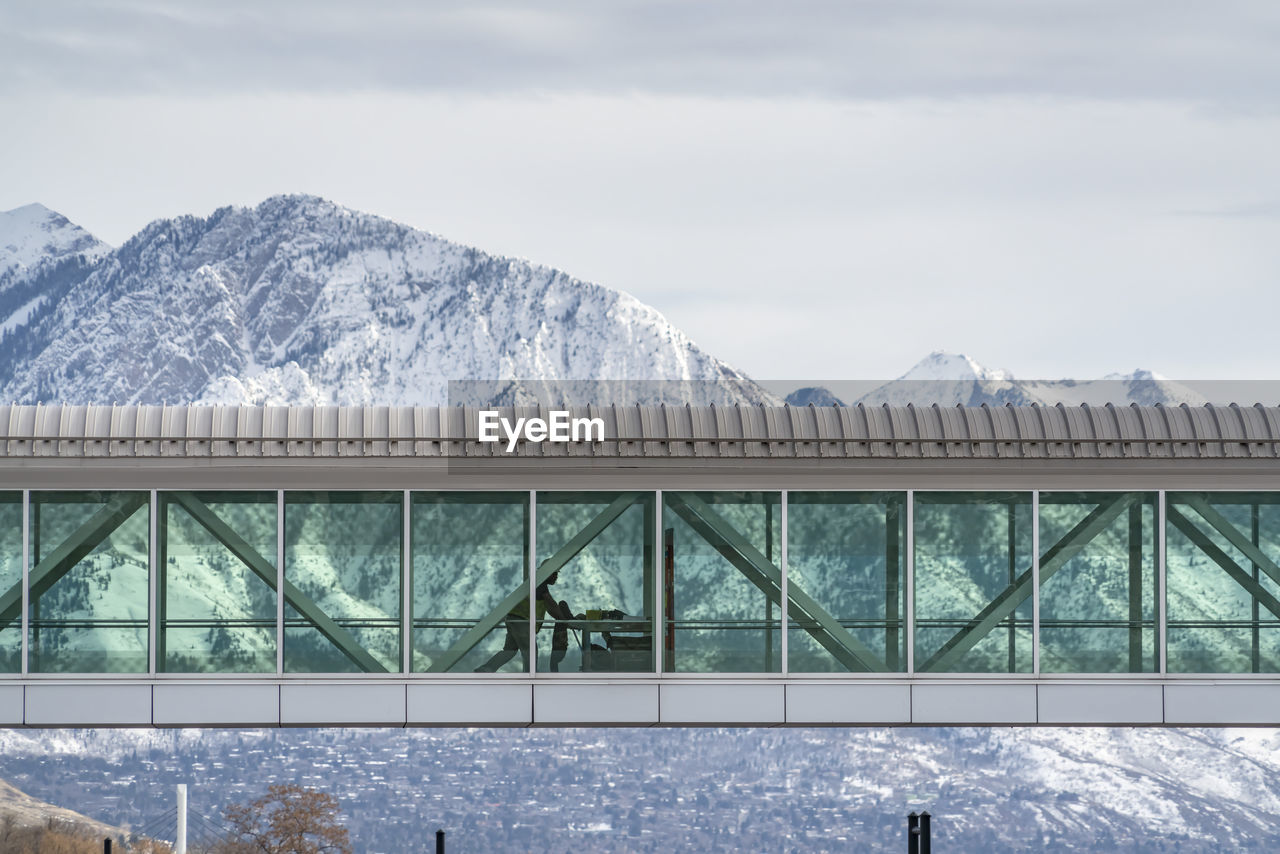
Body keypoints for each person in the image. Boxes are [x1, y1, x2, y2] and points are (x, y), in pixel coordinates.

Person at [475, 568, 575, 672]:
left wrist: (562, 620)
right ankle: (530, 677)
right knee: (531, 652)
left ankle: (487, 668)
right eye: (554, 573)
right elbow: (552, 605)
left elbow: (550, 609)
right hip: (522, 622)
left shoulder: (537, 585)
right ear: (547, 573)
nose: (556, 577)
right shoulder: (540, 583)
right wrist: (565, 621)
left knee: (510, 650)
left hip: (514, 620)